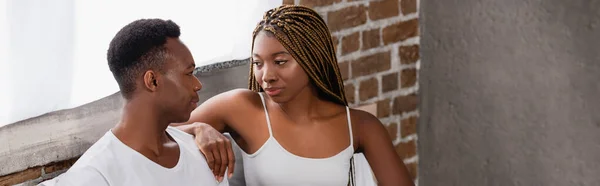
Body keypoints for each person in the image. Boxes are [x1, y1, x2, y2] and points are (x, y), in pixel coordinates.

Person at [173, 5, 414, 186]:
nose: (266, 75)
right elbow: (147, 135)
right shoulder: (242, 108)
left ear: (312, 60)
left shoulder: (361, 127)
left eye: (280, 62)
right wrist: (197, 129)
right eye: (258, 63)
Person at [40, 18, 227, 186]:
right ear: (152, 81)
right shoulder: (96, 175)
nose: (198, 85)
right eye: (189, 74)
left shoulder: (205, 153)